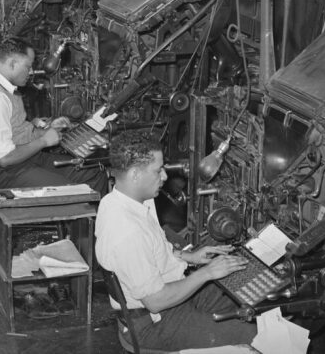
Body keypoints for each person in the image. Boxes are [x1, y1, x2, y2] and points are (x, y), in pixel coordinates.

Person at [95, 132, 257, 351]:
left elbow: (152, 251)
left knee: (244, 287)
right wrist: (207, 272)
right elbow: (155, 301)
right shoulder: (127, 232)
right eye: (157, 170)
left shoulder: (117, 201)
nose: (164, 176)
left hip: (167, 294)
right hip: (154, 321)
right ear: (134, 174)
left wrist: (189, 257)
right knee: (256, 336)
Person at [0, 37, 108, 196]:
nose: (31, 72)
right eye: (28, 66)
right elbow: (5, 158)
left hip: (25, 157)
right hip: (7, 170)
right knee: (74, 191)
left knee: (93, 173)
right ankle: (76, 210)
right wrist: (44, 141)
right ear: (12, 64)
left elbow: (17, 130)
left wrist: (47, 130)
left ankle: (91, 212)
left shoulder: (5, 87)